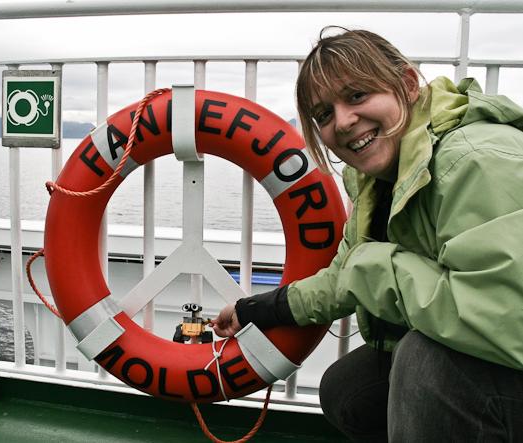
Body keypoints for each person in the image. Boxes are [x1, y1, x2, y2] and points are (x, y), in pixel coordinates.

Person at [209, 27, 523, 442]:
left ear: (408, 85)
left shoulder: (475, 161)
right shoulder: (377, 179)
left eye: (357, 96)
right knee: (349, 390)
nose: (342, 122)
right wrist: (257, 309)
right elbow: (345, 276)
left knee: (423, 362)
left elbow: (505, 322)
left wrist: (377, 267)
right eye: (323, 114)